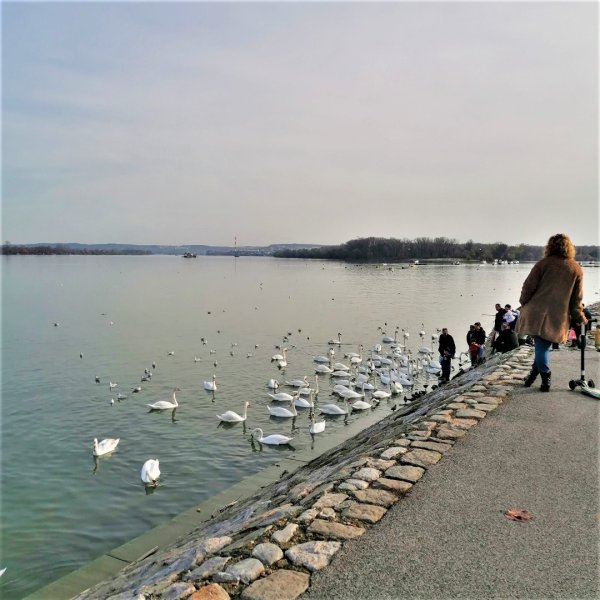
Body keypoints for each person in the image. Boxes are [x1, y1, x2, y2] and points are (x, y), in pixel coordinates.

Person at [515, 233, 586, 392]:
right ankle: (532, 376)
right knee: (542, 347)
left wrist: (523, 302)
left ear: (550, 246)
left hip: (535, 312)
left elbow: (528, 287)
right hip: (557, 316)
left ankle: (545, 377)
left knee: (541, 348)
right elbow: (577, 300)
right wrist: (580, 317)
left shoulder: (543, 264)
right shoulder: (576, 269)